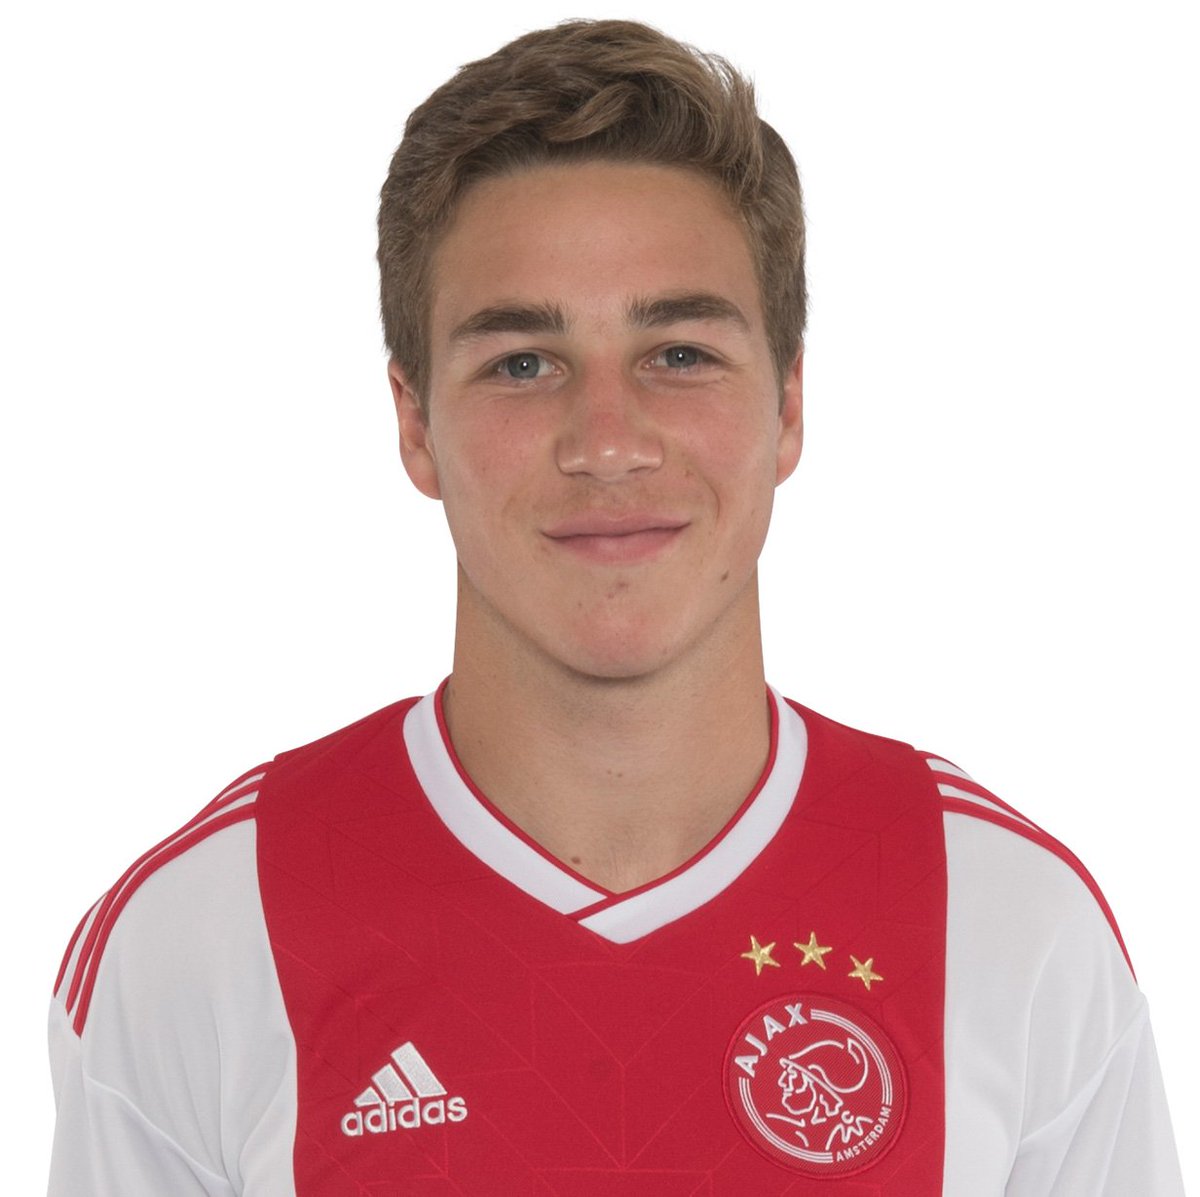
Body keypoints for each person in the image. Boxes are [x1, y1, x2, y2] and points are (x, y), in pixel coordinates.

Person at [47, 18, 1184, 1195]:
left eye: (679, 353)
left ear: (789, 406)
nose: (606, 441)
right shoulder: (206, 937)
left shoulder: (1008, 925)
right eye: (522, 363)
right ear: (415, 423)